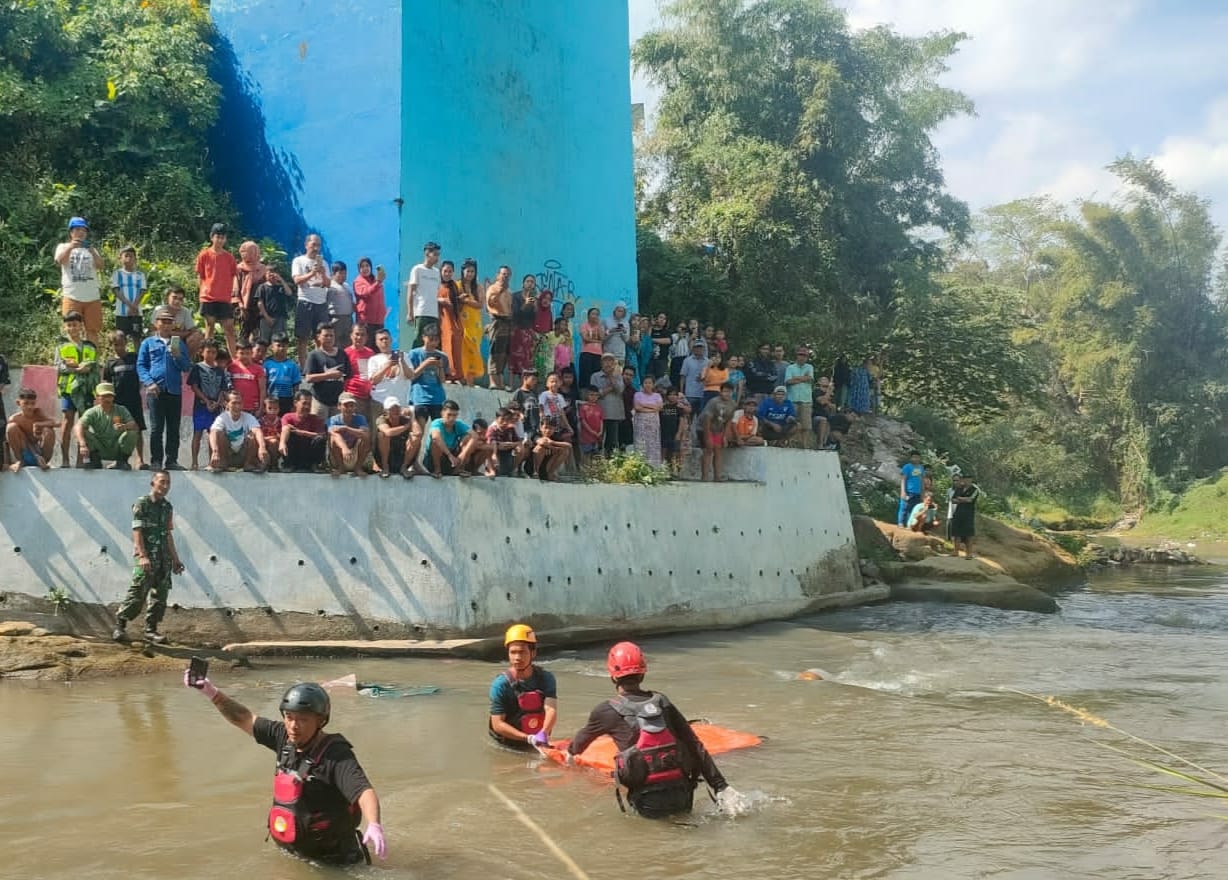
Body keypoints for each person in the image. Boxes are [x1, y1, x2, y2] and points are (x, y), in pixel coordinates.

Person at [183, 676, 386, 864]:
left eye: (303, 719)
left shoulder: (336, 755)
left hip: (333, 859)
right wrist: (213, 694)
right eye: (289, 717)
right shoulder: (282, 736)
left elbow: (363, 791)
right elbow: (243, 718)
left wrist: (374, 824)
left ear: (321, 720)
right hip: (290, 850)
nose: (293, 726)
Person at [565, 642, 740, 818]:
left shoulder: (605, 711)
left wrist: (569, 753)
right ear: (642, 673)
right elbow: (694, 745)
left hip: (645, 802)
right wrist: (721, 786)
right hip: (683, 794)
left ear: (612, 676)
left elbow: (579, 744)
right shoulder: (662, 702)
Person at [113, 469, 185, 644]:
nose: (165, 486)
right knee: (138, 591)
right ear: (153, 483)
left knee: (160, 596)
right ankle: (120, 626)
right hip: (147, 556)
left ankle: (150, 631)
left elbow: (168, 534)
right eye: (162, 481)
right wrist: (143, 556)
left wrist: (175, 559)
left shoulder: (167, 507)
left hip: (163, 558)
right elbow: (137, 531)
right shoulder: (142, 503)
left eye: (168, 482)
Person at [137, 307, 192, 471]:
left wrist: (177, 355)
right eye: (163, 322)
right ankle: (156, 460)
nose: (166, 325)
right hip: (155, 390)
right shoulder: (148, 343)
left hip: (174, 390)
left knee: (174, 428)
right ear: (156, 324)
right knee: (156, 428)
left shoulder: (179, 344)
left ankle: (172, 460)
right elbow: (141, 365)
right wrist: (149, 383)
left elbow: (186, 366)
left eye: (170, 322)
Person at [489, 624, 557, 750]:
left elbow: (551, 709)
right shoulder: (500, 685)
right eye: (513, 652)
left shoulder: (546, 678)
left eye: (522, 652)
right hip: (509, 745)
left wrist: (544, 733)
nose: (517, 658)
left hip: (539, 738)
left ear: (533, 653)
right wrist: (528, 738)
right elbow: (497, 724)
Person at [54, 310, 100, 467]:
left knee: (84, 425)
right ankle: (65, 459)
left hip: (86, 391)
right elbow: (59, 366)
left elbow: (94, 366)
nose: (72, 328)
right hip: (68, 390)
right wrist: (76, 369)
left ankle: (82, 461)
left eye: (75, 325)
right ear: (65, 327)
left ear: (81, 326)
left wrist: (85, 367)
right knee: (67, 423)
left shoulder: (90, 346)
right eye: (69, 325)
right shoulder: (61, 346)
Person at [55, 216, 105, 342]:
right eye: (77, 229)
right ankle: (71, 360)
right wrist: (71, 247)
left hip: (92, 297)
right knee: (71, 329)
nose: (81, 233)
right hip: (72, 295)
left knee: (93, 330)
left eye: (84, 230)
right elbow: (59, 261)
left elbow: (101, 266)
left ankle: (92, 360)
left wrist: (92, 251)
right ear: (71, 232)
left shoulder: (91, 249)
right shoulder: (63, 246)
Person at [102, 331, 147, 469]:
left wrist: (139, 387)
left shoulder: (134, 358)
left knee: (138, 429)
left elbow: (142, 374)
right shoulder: (110, 363)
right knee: (118, 430)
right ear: (111, 345)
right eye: (116, 345)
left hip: (134, 401)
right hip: (117, 404)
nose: (119, 348)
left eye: (121, 344)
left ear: (126, 344)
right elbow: (106, 383)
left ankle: (140, 460)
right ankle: (119, 460)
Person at [196, 223, 239, 355]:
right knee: (210, 327)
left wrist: (235, 288)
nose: (220, 240)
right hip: (208, 297)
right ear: (211, 237)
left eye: (223, 237)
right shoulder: (204, 255)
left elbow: (234, 275)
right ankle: (207, 358)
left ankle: (235, 361)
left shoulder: (229, 257)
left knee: (229, 329)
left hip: (224, 298)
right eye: (217, 237)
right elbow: (200, 275)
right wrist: (203, 292)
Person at [75, 382, 139, 469]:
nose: (107, 399)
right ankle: (95, 461)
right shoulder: (92, 412)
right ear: (97, 397)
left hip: (117, 446)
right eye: (104, 396)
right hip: (99, 446)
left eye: (110, 396)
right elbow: (79, 425)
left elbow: (134, 425)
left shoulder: (121, 409)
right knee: (83, 432)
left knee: (132, 433)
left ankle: (122, 461)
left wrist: (125, 426)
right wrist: (82, 444)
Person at [188, 340, 230, 470]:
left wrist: (217, 403)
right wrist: (206, 401)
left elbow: (223, 389)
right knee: (197, 433)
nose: (211, 355)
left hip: (215, 408)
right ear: (202, 352)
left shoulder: (220, 370)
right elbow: (194, 387)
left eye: (214, 352)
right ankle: (194, 462)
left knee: (213, 434)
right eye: (208, 352)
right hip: (201, 406)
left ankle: (212, 462)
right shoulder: (197, 368)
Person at [291, 233, 331, 367]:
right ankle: (303, 368)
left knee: (320, 337)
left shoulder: (324, 263)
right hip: (305, 302)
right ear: (306, 244)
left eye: (318, 245)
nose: (316, 248)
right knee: (303, 337)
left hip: (321, 304)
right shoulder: (299, 261)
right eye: (313, 244)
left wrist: (323, 273)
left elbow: (327, 284)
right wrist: (312, 273)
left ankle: (319, 366)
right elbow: (297, 280)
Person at [210, 390, 268, 473]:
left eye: (239, 403)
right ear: (226, 404)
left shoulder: (248, 417)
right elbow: (213, 432)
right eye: (234, 403)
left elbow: (257, 431)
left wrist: (262, 447)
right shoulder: (222, 417)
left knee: (252, 436)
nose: (237, 406)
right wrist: (215, 451)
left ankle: (248, 464)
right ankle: (223, 464)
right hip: (227, 454)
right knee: (219, 434)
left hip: (243, 455)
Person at [6, 388, 57, 472]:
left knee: (48, 430)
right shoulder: (14, 419)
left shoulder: (38, 413)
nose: (30, 407)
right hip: (25, 452)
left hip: (41, 455)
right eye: (26, 403)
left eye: (32, 403)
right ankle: (20, 461)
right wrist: (7, 462)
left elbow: (57, 423)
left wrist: (38, 424)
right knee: (11, 427)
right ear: (18, 403)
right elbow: (8, 441)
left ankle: (44, 461)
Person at [304, 324, 348, 420]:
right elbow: (308, 378)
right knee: (318, 431)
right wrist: (328, 375)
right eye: (326, 335)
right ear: (318, 337)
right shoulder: (313, 355)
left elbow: (348, 375)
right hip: (319, 401)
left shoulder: (342, 354)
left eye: (331, 335)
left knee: (337, 430)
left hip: (338, 402)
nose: (329, 338)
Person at [425, 399, 477, 478]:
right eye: (449, 415)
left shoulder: (458, 424)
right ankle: (437, 470)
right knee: (435, 441)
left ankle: (459, 469)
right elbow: (435, 437)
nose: (452, 418)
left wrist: (463, 454)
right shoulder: (437, 423)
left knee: (469, 437)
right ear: (442, 413)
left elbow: (475, 435)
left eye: (454, 415)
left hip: (452, 459)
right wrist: (449, 455)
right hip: (434, 459)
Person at [280, 390, 328, 473]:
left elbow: (322, 435)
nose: (307, 406)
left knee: (320, 439)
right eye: (304, 403)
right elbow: (285, 429)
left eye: (309, 404)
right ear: (295, 403)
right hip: (294, 452)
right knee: (288, 432)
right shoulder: (288, 417)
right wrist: (282, 443)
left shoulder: (315, 419)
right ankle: (289, 464)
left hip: (309, 453)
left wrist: (301, 432)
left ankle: (315, 464)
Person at [367, 328, 409, 421]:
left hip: (400, 403)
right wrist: (387, 365)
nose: (384, 341)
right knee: (379, 433)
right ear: (376, 343)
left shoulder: (404, 356)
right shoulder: (373, 359)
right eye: (381, 339)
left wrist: (402, 361)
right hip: (379, 402)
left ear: (391, 339)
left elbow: (411, 376)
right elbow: (373, 381)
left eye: (386, 338)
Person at [408, 327, 449, 424]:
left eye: (436, 340)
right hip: (420, 397)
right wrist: (425, 364)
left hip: (438, 398)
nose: (433, 343)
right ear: (423, 337)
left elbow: (442, 381)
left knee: (438, 428)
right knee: (419, 429)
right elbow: (411, 376)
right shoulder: (414, 354)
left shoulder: (443, 356)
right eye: (431, 339)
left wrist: (440, 367)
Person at [374, 397, 421, 479]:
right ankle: (385, 468)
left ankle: (404, 467)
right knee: (382, 435)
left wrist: (412, 416)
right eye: (392, 409)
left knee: (415, 437)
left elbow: (418, 433)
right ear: (386, 411)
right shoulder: (381, 419)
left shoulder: (405, 419)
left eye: (397, 408)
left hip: (401, 456)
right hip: (385, 458)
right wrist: (406, 426)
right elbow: (388, 432)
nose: (395, 411)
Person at [455, 258, 485, 384]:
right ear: (463, 271)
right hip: (461, 322)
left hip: (474, 324)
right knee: (461, 351)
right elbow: (454, 301)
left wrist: (466, 300)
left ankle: (470, 381)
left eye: (472, 271)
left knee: (473, 351)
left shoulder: (477, 287)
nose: (470, 274)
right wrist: (460, 299)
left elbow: (480, 304)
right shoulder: (457, 285)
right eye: (468, 271)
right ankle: (460, 379)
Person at [407, 241, 442, 348]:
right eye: (434, 254)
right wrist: (410, 312)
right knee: (419, 340)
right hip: (421, 312)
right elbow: (410, 291)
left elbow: (438, 293)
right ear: (427, 254)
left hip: (434, 314)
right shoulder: (417, 269)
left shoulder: (437, 272)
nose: (437, 258)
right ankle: (414, 363)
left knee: (433, 342)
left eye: (438, 255)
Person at [699, 383, 737, 482]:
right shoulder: (714, 402)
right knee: (708, 449)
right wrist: (707, 436)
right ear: (720, 392)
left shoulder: (733, 404)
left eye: (729, 392)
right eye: (725, 391)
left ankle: (717, 476)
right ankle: (705, 476)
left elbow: (728, 421)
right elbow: (707, 418)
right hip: (705, 427)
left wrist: (725, 436)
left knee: (718, 450)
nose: (727, 394)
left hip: (719, 429)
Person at [328, 393, 371, 477]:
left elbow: (365, 434)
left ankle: (358, 468)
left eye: (352, 406)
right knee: (333, 438)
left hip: (355, 454)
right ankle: (341, 468)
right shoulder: (333, 419)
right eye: (346, 406)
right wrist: (344, 448)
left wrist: (346, 428)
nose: (349, 408)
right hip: (339, 455)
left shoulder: (360, 418)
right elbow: (332, 432)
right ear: (339, 406)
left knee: (365, 438)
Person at [590, 354, 625, 457]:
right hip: (599, 413)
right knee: (597, 440)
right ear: (601, 363)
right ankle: (596, 464)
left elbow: (620, 390)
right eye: (605, 361)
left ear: (614, 364)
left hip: (614, 414)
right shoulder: (595, 376)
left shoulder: (618, 376)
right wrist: (610, 388)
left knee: (612, 442)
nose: (608, 363)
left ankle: (610, 463)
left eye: (610, 361)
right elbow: (595, 394)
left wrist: (611, 377)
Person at [110, 245, 148, 340]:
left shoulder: (140, 275)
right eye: (126, 256)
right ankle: (122, 355)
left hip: (136, 313)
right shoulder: (117, 274)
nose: (128, 258)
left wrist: (134, 306)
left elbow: (142, 291)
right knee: (120, 337)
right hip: (121, 313)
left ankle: (137, 355)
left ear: (135, 259)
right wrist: (130, 306)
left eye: (131, 256)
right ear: (120, 259)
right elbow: (116, 291)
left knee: (137, 337)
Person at [485, 265, 513, 389]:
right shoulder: (492, 288)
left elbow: (510, 308)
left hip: (507, 323)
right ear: (498, 275)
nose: (505, 277)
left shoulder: (508, 292)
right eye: (503, 274)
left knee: (503, 354)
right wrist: (500, 290)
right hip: (496, 321)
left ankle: (501, 382)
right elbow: (491, 303)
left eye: (507, 275)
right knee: (494, 351)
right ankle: (492, 381)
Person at [339, 324, 373, 421]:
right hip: (352, 396)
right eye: (357, 334)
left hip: (368, 397)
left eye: (363, 335)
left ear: (366, 337)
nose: (359, 337)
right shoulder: (345, 353)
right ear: (351, 335)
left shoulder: (371, 353)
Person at [162, 285, 207, 360]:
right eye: (174, 298)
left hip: (179, 340)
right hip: (162, 340)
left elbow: (192, 330)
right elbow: (154, 330)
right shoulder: (160, 310)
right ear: (167, 298)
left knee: (197, 335)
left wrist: (173, 333)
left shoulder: (185, 311)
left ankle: (186, 362)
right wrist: (181, 333)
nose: (177, 301)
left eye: (180, 299)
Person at [265, 333, 304, 416]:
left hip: (287, 400)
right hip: (271, 400)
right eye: (278, 345)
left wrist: (295, 404)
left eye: (284, 346)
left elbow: (296, 387)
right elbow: (264, 385)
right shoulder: (267, 364)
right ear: (272, 347)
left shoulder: (292, 365)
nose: (281, 348)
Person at [352, 257, 387, 341]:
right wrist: (377, 283)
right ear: (359, 269)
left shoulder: (376, 280)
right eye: (362, 267)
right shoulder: (358, 281)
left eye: (367, 266)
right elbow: (365, 293)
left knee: (378, 348)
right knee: (367, 347)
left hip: (379, 321)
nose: (365, 268)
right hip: (366, 322)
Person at [784, 347, 814, 444]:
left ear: (807, 357)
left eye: (804, 355)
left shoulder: (810, 367)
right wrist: (803, 378)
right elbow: (788, 381)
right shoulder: (790, 367)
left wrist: (796, 378)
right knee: (791, 422)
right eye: (800, 355)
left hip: (806, 399)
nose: (802, 357)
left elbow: (810, 378)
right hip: (792, 398)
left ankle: (804, 444)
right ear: (797, 356)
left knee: (806, 424)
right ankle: (789, 442)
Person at [632, 374, 664, 466]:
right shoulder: (637, 394)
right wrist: (651, 408)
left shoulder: (657, 395)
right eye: (645, 383)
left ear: (653, 385)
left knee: (653, 444)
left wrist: (644, 405)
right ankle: (640, 466)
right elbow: (637, 407)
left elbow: (659, 407)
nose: (648, 385)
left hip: (653, 424)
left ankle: (653, 467)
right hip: (640, 424)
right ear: (642, 384)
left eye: (650, 383)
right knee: (641, 444)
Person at [950, 472, 981, 558]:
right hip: (958, 512)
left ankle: (969, 553)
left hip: (968, 514)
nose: (967, 481)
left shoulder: (974, 490)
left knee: (968, 534)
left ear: (971, 480)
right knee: (957, 533)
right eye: (965, 479)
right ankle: (956, 551)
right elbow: (953, 500)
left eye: (968, 479)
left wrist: (960, 498)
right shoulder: (959, 489)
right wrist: (963, 499)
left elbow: (970, 500)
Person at [326, 261, 356, 345]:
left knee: (348, 342)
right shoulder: (330, 285)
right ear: (334, 273)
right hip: (336, 319)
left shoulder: (347, 285)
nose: (343, 276)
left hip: (348, 319)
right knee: (336, 343)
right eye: (341, 273)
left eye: (345, 273)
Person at [679, 341, 708, 420]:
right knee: (688, 417)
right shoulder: (687, 361)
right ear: (693, 349)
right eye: (697, 347)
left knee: (702, 418)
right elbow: (683, 376)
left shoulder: (708, 362)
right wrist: (681, 392)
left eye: (701, 347)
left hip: (703, 393)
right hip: (690, 394)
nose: (699, 349)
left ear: (704, 349)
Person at [577, 386, 604, 467]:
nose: (593, 397)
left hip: (597, 435)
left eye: (596, 395)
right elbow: (583, 421)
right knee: (586, 453)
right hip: (587, 435)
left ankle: (593, 471)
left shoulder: (599, 408)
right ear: (587, 395)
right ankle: (585, 470)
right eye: (591, 395)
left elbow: (601, 420)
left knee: (595, 454)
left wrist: (601, 431)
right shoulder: (583, 407)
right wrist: (591, 431)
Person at [898, 450, 926, 528]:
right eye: (914, 457)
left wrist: (922, 493)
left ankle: (910, 525)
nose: (915, 459)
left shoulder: (921, 468)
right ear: (911, 458)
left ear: (920, 458)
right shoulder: (907, 467)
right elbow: (903, 479)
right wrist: (903, 491)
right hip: (908, 491)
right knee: (904, 508)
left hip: (917, 493)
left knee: (915, 510)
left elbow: (922, 481)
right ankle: (901, 523)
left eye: (917, 457)